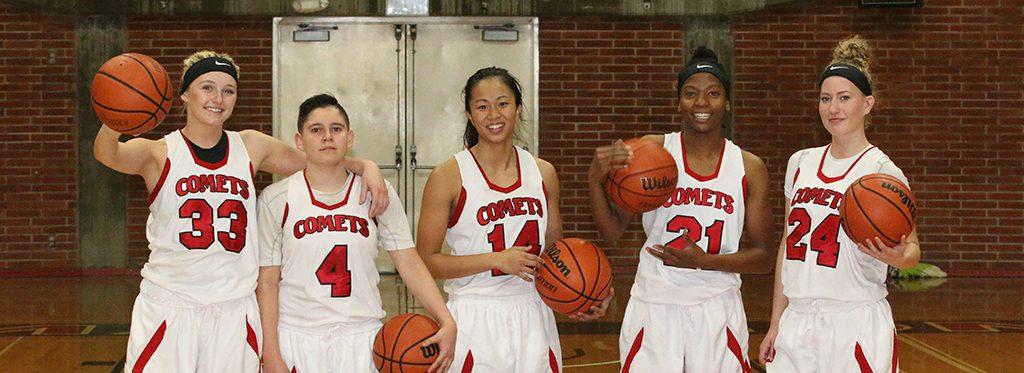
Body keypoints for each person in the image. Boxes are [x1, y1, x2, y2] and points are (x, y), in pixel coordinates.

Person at [93, 50, 387, 372]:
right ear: (184, 95)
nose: (218, 98)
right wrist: (117, 116)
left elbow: (318, 159)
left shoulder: (251, 146)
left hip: (234, 308)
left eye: (228, 90)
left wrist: (365, 166)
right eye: (207, 87)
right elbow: (107, 153)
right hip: (171, 305)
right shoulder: (158, 152)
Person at [588, 47, 774, 372]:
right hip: (654, 305)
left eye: (713, 93)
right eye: (691, 93)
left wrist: (705, 262)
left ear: (727, 102)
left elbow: (764, 257)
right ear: (678, 102)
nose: (702, 103)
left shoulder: (748, 167)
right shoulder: (652, 151)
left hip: (717, 308)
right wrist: (594, 177)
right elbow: (612, 231)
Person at [416, 67, 606, 372]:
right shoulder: (449, 176)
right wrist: (496, 260)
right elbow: (426, 262)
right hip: (474, 316)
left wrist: (586, 295)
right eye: (482, 106)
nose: (494, 114)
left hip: (534, 313)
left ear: (518, 108)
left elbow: (557, 256)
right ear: (469, 114)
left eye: (503, 103)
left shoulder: (543, 173)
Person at [255, 94, 456, 373]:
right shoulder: (276, 199)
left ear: (350, 138)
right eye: (316, 130)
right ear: (299, 141)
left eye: (336, 129)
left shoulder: (377, 192)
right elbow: (268, 282)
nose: (327, 137)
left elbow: (408, 261)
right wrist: (271, 351)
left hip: (362, 338)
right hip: (298, 337)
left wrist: (445, 319)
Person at [759, 35, 921, 372]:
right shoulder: (800, 162)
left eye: (844, 98)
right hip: (798, 320)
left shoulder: (882, 172)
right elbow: (787, 247)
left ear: (868, 104)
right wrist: (776, 322)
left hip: (856, 321)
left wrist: (897, 257)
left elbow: (913, 251)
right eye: (825, 99)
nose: (833, 108)